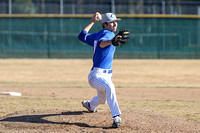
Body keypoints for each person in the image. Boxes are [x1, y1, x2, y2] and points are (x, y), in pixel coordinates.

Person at [78, 12, 122, 128]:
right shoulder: (107, 34)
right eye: (112, 22)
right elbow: (102, 43)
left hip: (104, 75)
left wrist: (92, 22)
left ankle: (90, 105)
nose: (115, 24)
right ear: (105, 24)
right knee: (110, 87)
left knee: (102, 100)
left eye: (116, 22)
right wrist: (112, 42)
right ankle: (116, 116)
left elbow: (82, 36)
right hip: (96, 75)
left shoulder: (98, 34)